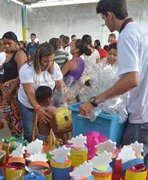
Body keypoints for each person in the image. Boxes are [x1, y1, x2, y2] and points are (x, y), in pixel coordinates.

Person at [79, 0, 148, 166]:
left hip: (141, 117)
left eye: (104, 18)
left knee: (129, 168)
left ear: (110, 15)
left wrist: (95, 100)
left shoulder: (127, 34)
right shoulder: (143, 30)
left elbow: (131, 79)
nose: (105, 22)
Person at [18, 42, 63, 142]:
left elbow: (60, 85)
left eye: (51, 60)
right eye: (46, 61)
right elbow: (29, 92)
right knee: (29, 130)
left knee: (45, 127)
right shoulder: (26, 69)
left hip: (46, 103)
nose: (49, 64)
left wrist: (64, 99)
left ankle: (40, 148)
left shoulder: (54, 67)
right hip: (28, 103)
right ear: (38, 58)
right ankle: (29, 150)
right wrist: (38, 108)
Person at [1, 31, 27, 136]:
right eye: (4, 44)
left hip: (14, 92)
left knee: (16, 118)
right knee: (9, 117)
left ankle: (20, 142)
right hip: (7, 92)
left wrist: (9, 92)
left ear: (16, 42)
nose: (6, 46)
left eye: (9, 43)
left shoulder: (19, 54)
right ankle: (14, 140)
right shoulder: (9, 54)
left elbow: (21, 75)